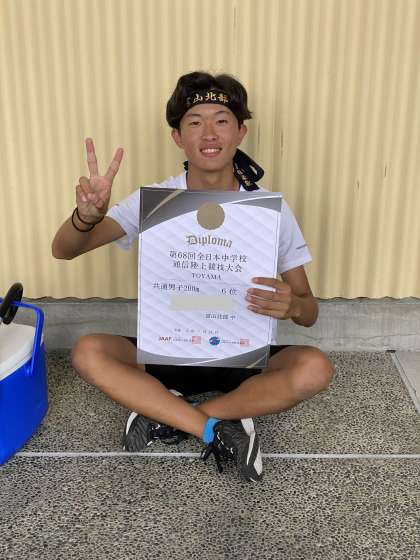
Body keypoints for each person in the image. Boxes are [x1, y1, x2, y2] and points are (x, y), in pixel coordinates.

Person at [52, 71, 335, 483]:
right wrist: (86, 217)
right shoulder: (156, 201)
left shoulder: (268, 209)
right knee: (87, 351)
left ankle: (166, 412)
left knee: (315, 368)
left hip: (244, 356)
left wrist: (292, 304)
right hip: (166, 350)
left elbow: (310, 312)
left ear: (240, 132)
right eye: (195, 122)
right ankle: (215, 426)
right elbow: (64, 250)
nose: (209, 133)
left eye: (221, 120)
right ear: (177, 137)